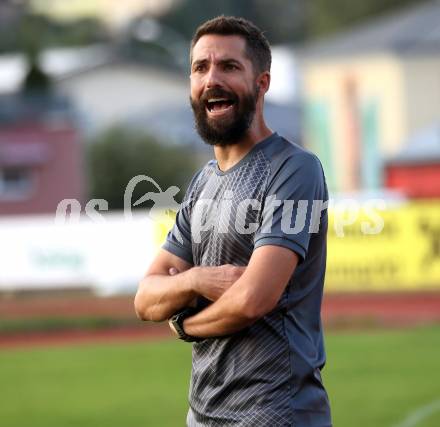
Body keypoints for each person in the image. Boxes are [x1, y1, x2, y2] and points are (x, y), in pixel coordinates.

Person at [134, 16, 332, 427]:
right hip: (203, 415)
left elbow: (253, 300)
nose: (211, 79)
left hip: (276, 413)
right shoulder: (203, 182)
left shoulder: (294, 169)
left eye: (228, 66)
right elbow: (145, 300)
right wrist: (193, 281)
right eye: (200, 68)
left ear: (262, 84)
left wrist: (186, 326)